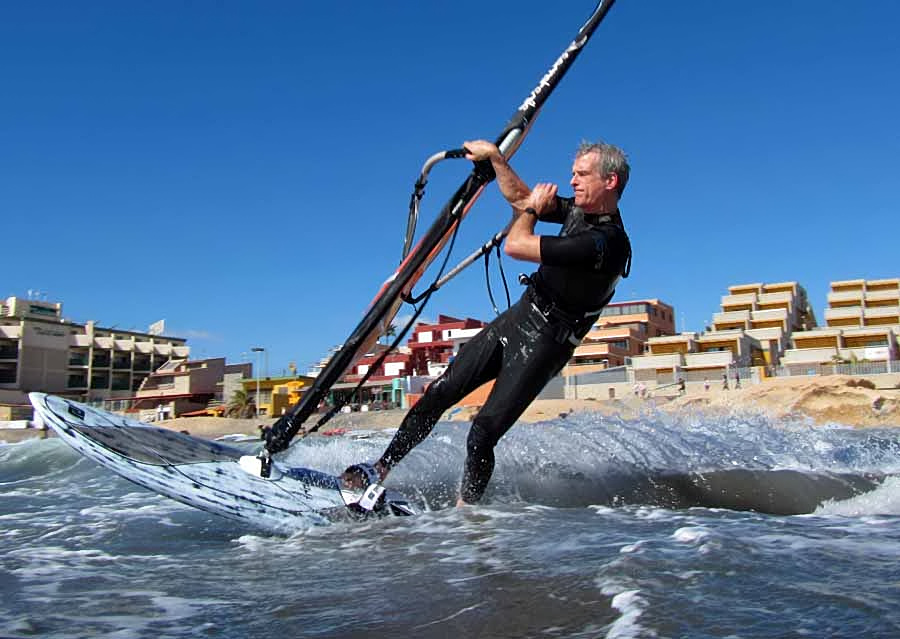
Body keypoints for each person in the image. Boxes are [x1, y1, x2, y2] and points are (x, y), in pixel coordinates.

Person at [342, 138, 632, 505]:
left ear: (610, 182)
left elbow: (516, 245)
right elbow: (521, 198)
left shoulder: (606, 242)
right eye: (573, 173)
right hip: (520, 318)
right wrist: (496, 159)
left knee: (482, 432)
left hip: (546, 343)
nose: (572, 180)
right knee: (440, 392)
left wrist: (531, 212)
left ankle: (468, 516)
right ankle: (380, 468)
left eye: (582, 174)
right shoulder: (581, 212)